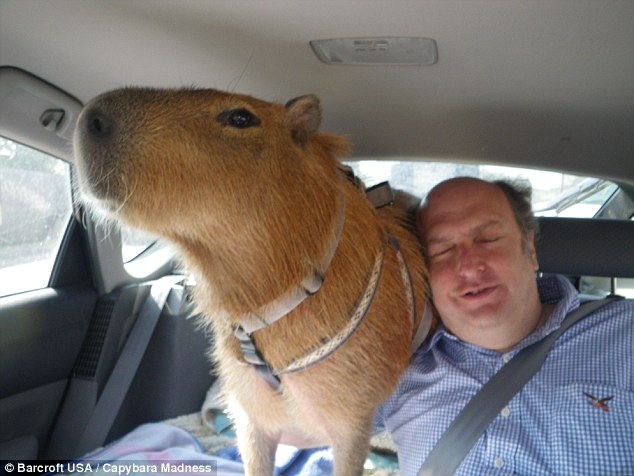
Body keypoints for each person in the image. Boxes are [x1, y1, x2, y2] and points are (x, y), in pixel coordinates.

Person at [375, 177, 633, 476]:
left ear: (530, 250)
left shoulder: (626, 333)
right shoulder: (397, 367)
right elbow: (307, 431)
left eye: (487, 240)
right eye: (443, 251)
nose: (469, 266)